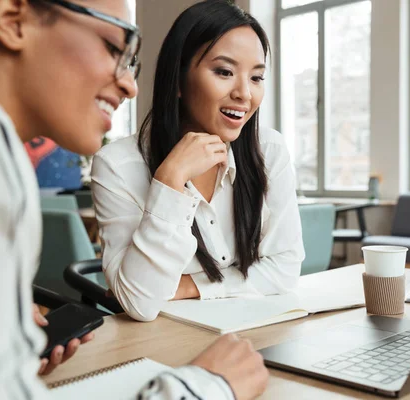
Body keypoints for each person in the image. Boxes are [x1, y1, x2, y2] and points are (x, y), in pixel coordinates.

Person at [0, 0, 268, 399]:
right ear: (11, 18)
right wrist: (203, 387)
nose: (130, 84)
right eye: (113, 47)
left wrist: (2, 355)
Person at [91, 0, 305, 322]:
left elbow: (285, 267)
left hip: (253, 330)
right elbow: (140, 303)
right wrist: (170, 181)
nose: (244, 94)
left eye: (257, 77)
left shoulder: (269, 150)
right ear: (177, 80)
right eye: (224, 72)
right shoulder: (117, 166)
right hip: (163, 343)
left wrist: (190, 286)